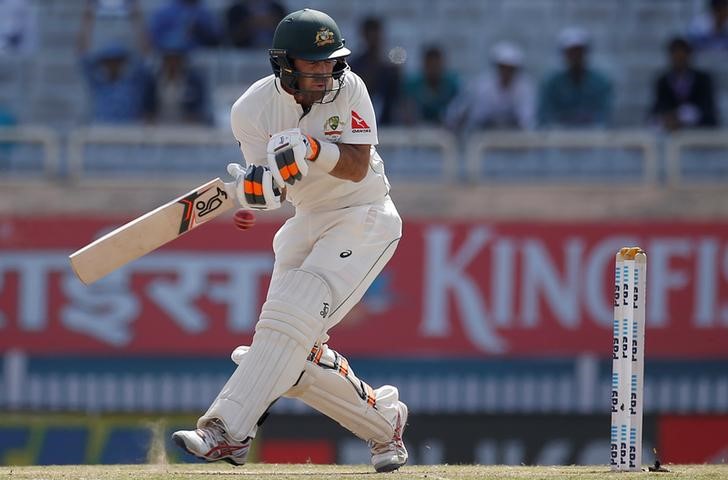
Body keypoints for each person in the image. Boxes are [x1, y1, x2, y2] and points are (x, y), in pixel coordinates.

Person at [171, 9, 408, 473]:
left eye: (330, 61)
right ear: (284, 64)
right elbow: (273, 192)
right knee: (288, 354)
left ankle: (225, 430)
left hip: (365, 214)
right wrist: (255, 193)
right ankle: (385, 424)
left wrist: (312, 148)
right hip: (307, 219)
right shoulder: (251, 110)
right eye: (312, 63)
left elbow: (359, 165)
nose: (325, 72)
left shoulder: (351, 87)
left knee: (289, 319)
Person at [77, 0, 155, 124]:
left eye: (117, 61)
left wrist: (136, 17)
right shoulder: (98, 84)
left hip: (128, 138)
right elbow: (82, 55)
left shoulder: (134, 83)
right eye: (109, 61)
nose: (112, 65)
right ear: (103, 63)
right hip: (99, 139)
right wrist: (88, 17)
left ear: (123, 62)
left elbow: (146, 55)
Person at [446, 41, 535, 132]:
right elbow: (477, 119)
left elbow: (526, 121)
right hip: (484, 136)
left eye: (510, 69)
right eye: (503, 67)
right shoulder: (482, 86)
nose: (506, 72)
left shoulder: (525, 89)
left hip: (514, 137)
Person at [538, 26, 613, 128]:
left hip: (592, 138)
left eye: (579, 51)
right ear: (563, 54)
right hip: (558, 138)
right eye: (571, 52)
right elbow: (545, 116)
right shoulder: (552, 83)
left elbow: (604, 116)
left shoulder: (601, 82)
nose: (575, 56)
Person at [650, 36, 718, 130]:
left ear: (689, 55)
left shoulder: (703, 79)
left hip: (699, 131)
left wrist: (684, 117)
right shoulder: (662, 81)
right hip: (671, 131)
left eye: (682, 55)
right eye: (675, 55)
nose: (679, 59)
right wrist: (669, 117)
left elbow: (707, 109)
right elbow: (659, 107)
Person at [347, 16, 402, 125]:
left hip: (386, 124)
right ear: (364, 35)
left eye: (376, 33)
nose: (374, 38)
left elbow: (396, 99)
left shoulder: (390, 69)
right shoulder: (353, 66)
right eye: (370, 33)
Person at [402, 45, 460, 125]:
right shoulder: (412, 86)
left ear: (442, 64)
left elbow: (458, 110)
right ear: (424, 65)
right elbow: (406, 111)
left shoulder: (452, 85)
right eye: (431, 65)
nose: (434, 70)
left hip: (445, 128)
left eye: (436, 65)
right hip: (419, 128)